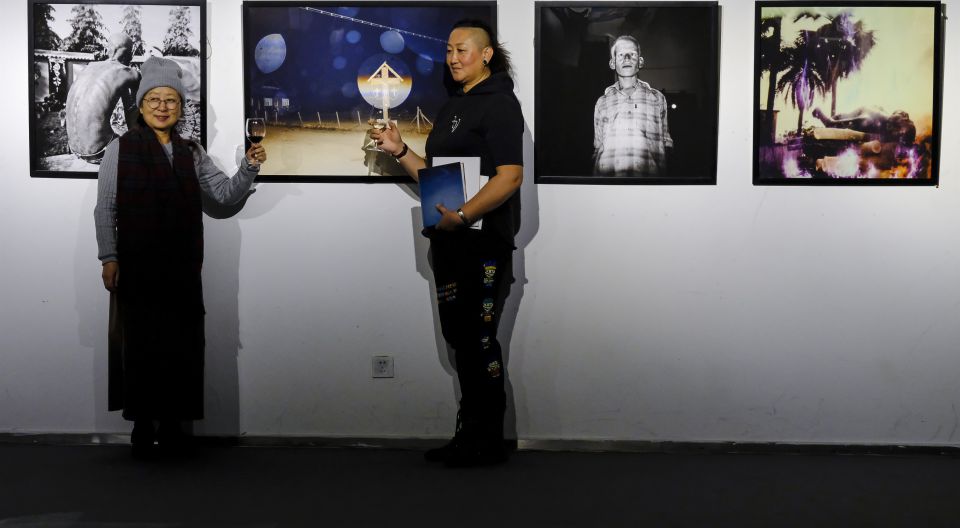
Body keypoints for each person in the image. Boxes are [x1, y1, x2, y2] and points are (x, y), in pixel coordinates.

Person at [94, 56, 267, 457]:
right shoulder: (120, 149)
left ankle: (172, 424)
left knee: (180, 345)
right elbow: (105, 208)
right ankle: (142, 425)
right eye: (153, 99)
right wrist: (109, 257)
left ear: (180, 106)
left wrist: (248, 167)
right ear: (141, 105)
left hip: (182, 269)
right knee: (140, 344)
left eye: (170, 99)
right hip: (137, 266)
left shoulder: (192, 151)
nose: (162, 107)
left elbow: (223, 193)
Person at [371, 19, 523, 467]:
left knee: (478, 342)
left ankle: (488, 441)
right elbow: (439, 180)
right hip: (450, 242)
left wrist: (466, 215)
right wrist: (400, 150)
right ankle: (469, 435)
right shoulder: (456, 105)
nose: (453, 58)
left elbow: (510, 177)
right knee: (462, 339)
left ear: (487, 54)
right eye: (449, 50)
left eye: (463, 50)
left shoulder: (500, 104)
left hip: (483, 245)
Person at [592, 35, 672, 177]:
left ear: (640, 62)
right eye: (621, 55)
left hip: (648, 179)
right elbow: (598, 146)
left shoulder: (657, 98)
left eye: (632, 54)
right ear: (612, 63)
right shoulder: (602, 102)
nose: (627, 58)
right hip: (608, 180)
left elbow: (666, 142)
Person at [65, 33, 141, 162]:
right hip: (100, 151)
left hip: (74, 148)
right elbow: (134, 113)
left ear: (107, 50)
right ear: (130, 53)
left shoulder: (88, 68)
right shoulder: (130, 73)